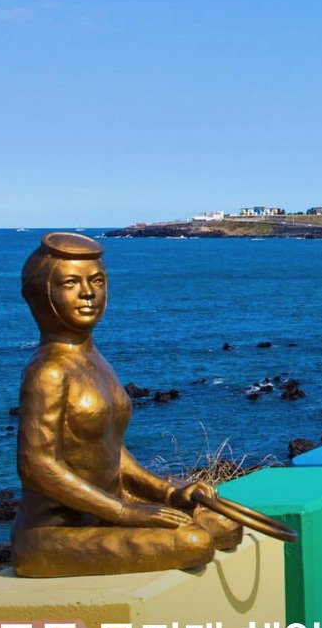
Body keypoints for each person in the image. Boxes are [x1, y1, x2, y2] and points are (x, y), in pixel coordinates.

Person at [12, 231, 243, 577]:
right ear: (41, 295)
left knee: (226, 525)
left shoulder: (95, 361)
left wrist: (171, 493)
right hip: (55, 533)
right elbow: (37, 465)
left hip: (106, 514)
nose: (88, 293)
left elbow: (112, 451)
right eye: (71, 283)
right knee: (195, 543)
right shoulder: (48, 371)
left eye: (97, 281)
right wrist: (123, 513)